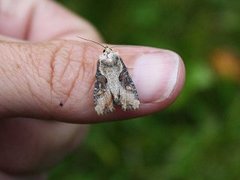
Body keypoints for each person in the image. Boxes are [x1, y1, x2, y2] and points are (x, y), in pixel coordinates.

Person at [0, 0, 185, 179]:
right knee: (122, 82)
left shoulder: (102, 61)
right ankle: (124, 99)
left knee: (104, 86)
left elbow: (99, 77)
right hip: (121, 82)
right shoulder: (115, 59)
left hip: (105, 82)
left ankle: (109, 101)